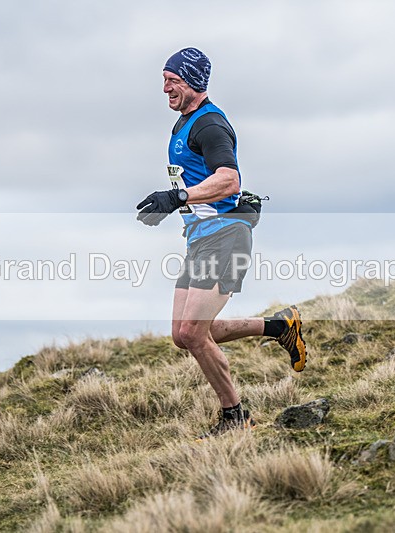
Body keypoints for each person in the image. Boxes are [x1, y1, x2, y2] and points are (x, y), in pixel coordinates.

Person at [136, 47, 307, 439]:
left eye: (172, 80)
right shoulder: (184, 124)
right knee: (184, 334)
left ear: (194, 81)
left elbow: (230, 179)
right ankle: (279, 326)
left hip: (226, 237)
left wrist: (177, 198)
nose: (164, 88)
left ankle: (236, 417)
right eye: (163, 80)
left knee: (195, 333)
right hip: (201, 239)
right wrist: (173, 205)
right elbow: (202, 184)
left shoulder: (209, 125)